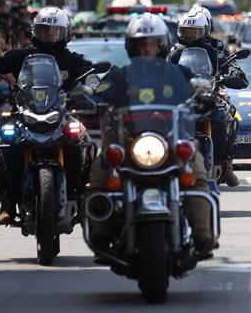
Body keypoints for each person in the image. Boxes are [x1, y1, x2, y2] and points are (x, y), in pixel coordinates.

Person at [0, 6, 93, 224]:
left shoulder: (72, 60)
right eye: (45, 31)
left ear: (65, 33)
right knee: (4, 145)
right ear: (35, 31)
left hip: (59, 114)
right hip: (25, 113)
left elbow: (91, 75)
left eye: (55, 32)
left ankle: (83, 198)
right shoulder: (21, 56)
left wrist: (94, 86)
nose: (49, 36)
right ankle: (6, 202)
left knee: (83, 142)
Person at [90, 13, 214, 252]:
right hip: (128, 142)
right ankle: (100, 231)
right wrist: (88, 98)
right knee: (100, 169)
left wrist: (205, 96)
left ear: (162, 45)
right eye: (142, 44)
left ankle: (203, 232)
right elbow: (99, 94)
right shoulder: (120, 74)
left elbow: (196, 91)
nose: (148, 48)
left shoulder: (176, 73)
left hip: (169, 141)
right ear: (132, 46)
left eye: (153, 43)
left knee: (196, 169)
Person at [168, 6, 247, 187]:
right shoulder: (175, 51)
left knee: (228, 112)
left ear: (204, 31)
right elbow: (164, 69)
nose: (189, 36)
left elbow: (230, 65)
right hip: (182, 97)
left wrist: (233, 74)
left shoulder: (215, 50)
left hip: (209, 93)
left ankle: (226, 162)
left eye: (193, 32)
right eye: (186, 32)